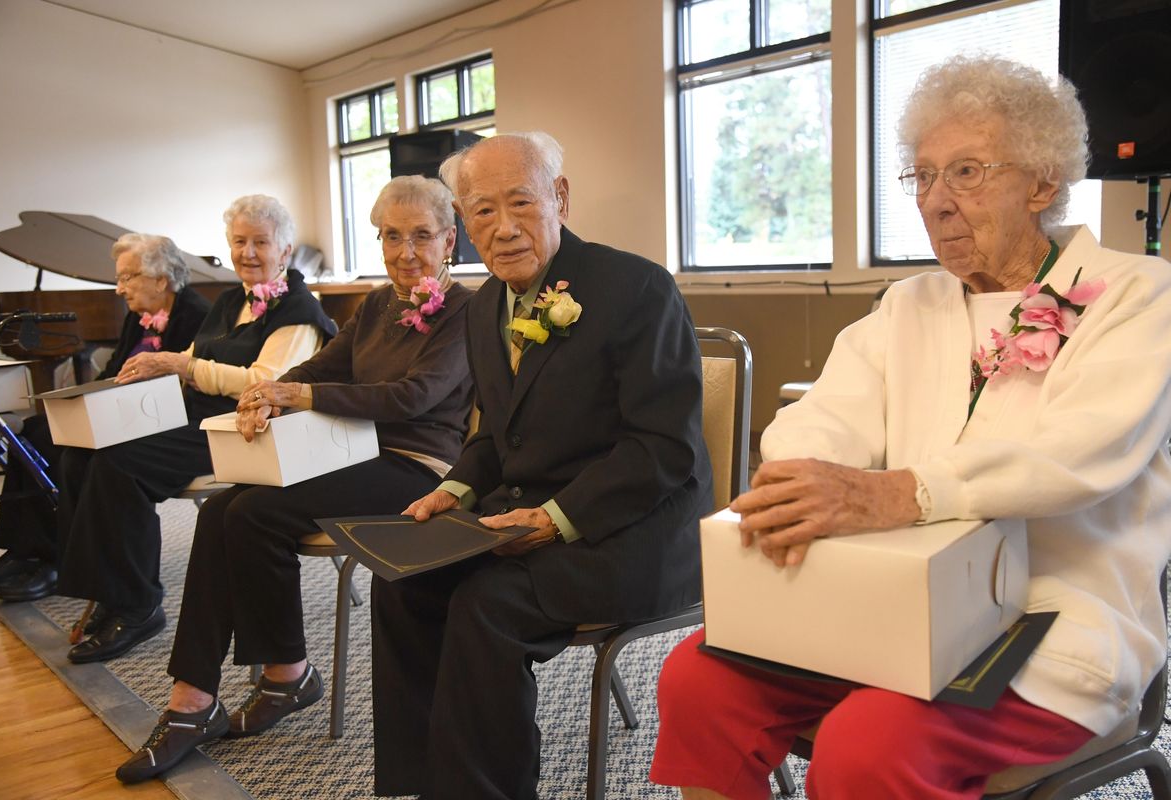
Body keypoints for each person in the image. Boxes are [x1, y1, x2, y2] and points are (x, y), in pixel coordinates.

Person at [650, 55, 1171, 800]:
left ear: (1043, 182)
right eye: (922, 177)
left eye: (966, 172)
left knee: (870, 742)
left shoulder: (1136, 294)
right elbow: (813, 425)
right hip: (890, 609)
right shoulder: (909, 304)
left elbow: (1082, 450)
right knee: (697, 678)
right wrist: (810, 482)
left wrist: (898, 494)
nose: (936, 201)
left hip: (1054, 621)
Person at [370, 132, 713, 800]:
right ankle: (427, 782)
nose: (502, 229)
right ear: (463, 225)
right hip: (523, 514)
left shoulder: (636, 288)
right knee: (403, 584)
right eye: (481, 213)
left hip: (636, 531)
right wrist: (457, 487)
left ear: (558, 197)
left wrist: (558, 520)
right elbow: (497, 433)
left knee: (485, 605)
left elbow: (663, 447)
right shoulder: (482, 308)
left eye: (519, 202)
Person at [113, 175, 476, 784]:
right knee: (221, 510)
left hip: (417, 467)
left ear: (449, 241)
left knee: (255, 513)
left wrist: (301, 392)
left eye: (421, 236)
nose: (405, 252)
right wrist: (269, 395)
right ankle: (208, 694)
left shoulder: (466, 308)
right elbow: (318, 366)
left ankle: (264, 682)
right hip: (346, 450)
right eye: (391, 236)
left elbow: (416, 397)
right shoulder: (379, 304)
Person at [55, 195, 337, 665]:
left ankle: (138, 604)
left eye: (260, 242)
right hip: (195, 416)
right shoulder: (229, 299)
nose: (248, 252)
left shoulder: (300, 313)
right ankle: (109, 587)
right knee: (79, 452)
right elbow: (189, 357)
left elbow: (262, 384)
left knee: (120, 463)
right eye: (239, 241)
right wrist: (143, 376)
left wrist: (181, 364)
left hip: (245, 428)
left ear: (285, 251)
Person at [0, 234, 210, 602]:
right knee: (34, 430)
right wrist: (81, 400)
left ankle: (52, 558)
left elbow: (183, 387)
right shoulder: (140, 316)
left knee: (58, 444)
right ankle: (24, 550)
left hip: (154, 415)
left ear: (161, 279)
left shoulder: (195, 315)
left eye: (128, 277)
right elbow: (113, 372)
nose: (119, 289)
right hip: (122, 407)